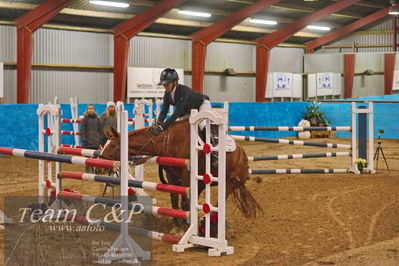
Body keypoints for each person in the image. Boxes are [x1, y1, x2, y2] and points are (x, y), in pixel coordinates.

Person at [153, 68, 218, 165]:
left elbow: (177, 112)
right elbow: (164, 110)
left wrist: (163, 127)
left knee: (201, 123)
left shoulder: (183, 91)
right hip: (189, 110)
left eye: (167, 84)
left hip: (201, 105)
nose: (165, 86)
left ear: (174, 82)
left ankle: (214, 151)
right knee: (177, 125)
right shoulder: (167, 94)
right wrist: (158, 124)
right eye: (164, 84)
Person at [80, 104, 101, 173]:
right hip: (88, 143)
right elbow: (82, 131)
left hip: (96, 143)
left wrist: (99, 141)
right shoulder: (85, 119)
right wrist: (84, 141)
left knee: (96, 158)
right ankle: (88, 172)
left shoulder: (97, 119)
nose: (91, 110)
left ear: (94, 109)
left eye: (92, 108)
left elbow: (99, 130)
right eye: (89, 108)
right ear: (87, 109)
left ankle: (95, 172)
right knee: (88, 159)